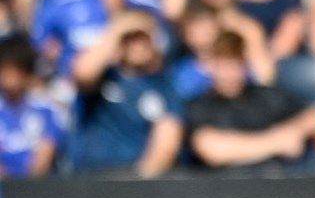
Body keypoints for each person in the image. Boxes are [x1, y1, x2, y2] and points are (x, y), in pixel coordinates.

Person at [184, 30, 315, 170]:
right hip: (228, 180)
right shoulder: (201, 106)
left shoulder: (265, 96)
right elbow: (212, 150)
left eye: (236, 66)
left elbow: (314, 117)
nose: (230, 74)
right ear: (211, 67)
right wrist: (277, 142)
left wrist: (295, 130)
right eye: (224, 66)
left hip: (277, 176)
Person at [69, 10, 183, 175]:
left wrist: (139, 181)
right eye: (130, 38)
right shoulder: (103, 77)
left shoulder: (163, 87)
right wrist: (118, 28)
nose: (137, 45)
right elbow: (82, 74)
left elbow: (166, 143)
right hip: (90, 175)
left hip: (134, 177)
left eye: (143, 38)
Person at [0, 34, 61, 177]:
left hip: (37, 187)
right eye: (4, 71)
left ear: (27, 73)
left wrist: (25, 184)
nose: (9, 78)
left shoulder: (46, 111)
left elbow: (45, 154)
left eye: (15, 71)